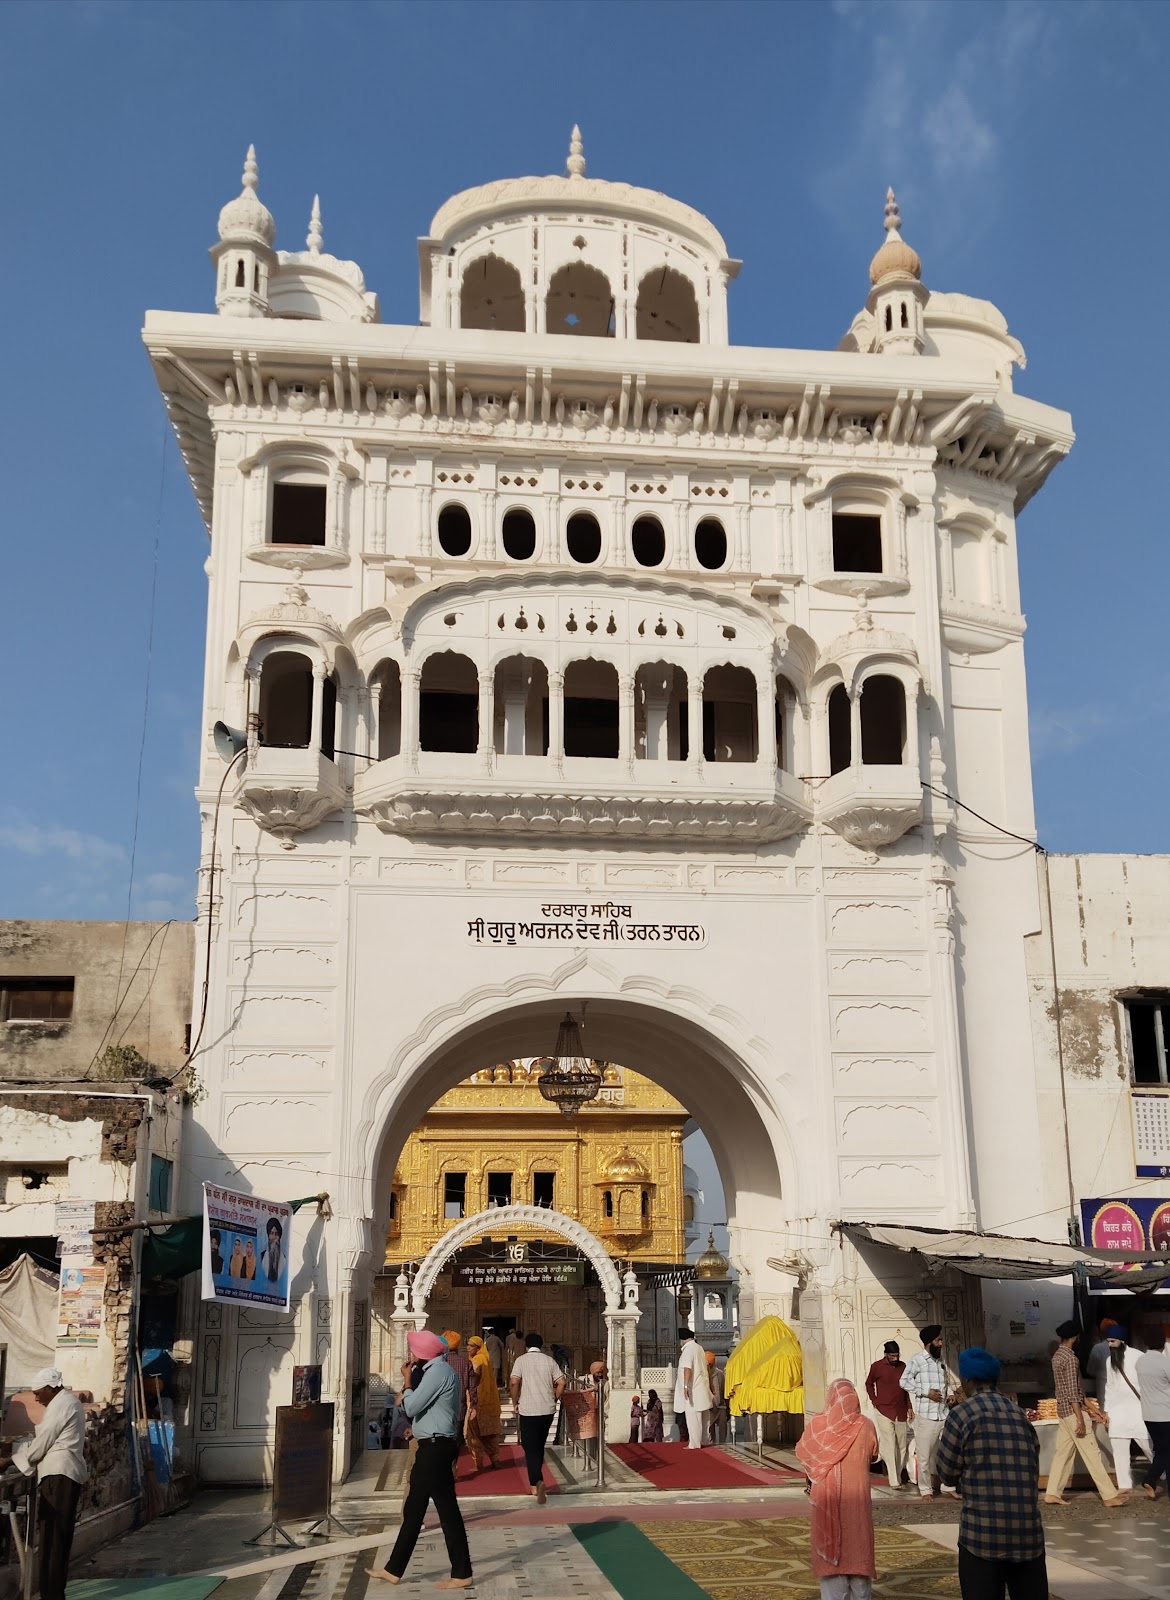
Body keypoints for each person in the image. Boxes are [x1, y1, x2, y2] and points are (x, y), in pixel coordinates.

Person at [937, 1347, 1047, 1600]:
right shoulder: (1020, 1415)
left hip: (981, 1536)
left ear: (968, 1380)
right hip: (1028, 1535)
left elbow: (946, 1473)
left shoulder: (961, 1415)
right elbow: (1033, 1468)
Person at [367, 1329, 472, 1590]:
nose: (411, 1354)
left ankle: (462, 1572)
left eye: (414, 1349)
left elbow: (411, 1407)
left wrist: (407, 1382)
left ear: (423, 1352)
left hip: (435, 1448)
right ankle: (394, 1569)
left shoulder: (437, 1372)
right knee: (416, 1510)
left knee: (444, 1512)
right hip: (435, 1445)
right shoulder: (441, 1370)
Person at [0, 1367, 88, 1600]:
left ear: (51, 1388)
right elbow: (41, 1441)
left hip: (60, 1475)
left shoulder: (63, 1404)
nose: (37, 1398)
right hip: (60, 1474)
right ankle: (52, 1592)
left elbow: (43, 1443)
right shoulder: (64, 1403)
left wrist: (8, 1461)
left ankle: (52, 1594)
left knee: (53, 1538)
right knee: (54, 1537)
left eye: (39, 1393)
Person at [795, 1378, 878, 1600]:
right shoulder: (866, 1425)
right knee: (859, 1564)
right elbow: (874, 1454)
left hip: (827, 1502)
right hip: (857, 1504)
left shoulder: (818, 1426)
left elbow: (807, 1458)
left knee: (832, 1576)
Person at [1045, 1320, 1125, 1506]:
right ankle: (1109, 1496)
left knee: (1062, 1454)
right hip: (1074, 1414)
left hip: (1063, 1412)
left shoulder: (1057, 1356)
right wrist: (1081, 1418)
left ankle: (1052, 1493)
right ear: (1075, 1337)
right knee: (1092, 1455)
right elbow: (1075, 1393)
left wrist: (1096, 1411)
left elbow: (1074, 1392)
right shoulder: (1071, 1359)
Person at [509, 1331, 564, 1504]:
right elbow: (561, 1382)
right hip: (547, 1409)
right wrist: (555, 1397)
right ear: (541, 1345)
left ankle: (537, 1482)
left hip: (528, 1409)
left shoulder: (521, 1360)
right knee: (539, 1446)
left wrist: (515, 1401)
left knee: (530, 1447)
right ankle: (535, 1483)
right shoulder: (549, 1360)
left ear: (526, 1345)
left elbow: (514, 1382)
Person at [900, 1325, 954, 1498]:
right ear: (929, 1342)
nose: (941, 1343)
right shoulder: (917, 1360)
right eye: (938, 1340)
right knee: (924, 1456)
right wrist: (926, 1392)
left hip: (943, 1414)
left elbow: (946, 1381)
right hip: (926, 1416)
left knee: (945, 1454)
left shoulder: (941, 1361)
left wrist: (951, 1394)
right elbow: (904, 1381)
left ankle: (947, 1485)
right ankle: (925, 1489)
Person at [1099, 1324, 1152, 1495]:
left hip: (1138, 1409)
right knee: (1119, 1449)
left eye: (1112, 1341)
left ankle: (1163, 1475)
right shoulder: (1109, 1360)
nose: (1109, 1345)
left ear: (1121, 1341)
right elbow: (1110, 1385)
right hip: (1117, 1411)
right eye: (1108, 1341)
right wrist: (1106, 1410)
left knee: (1148, 1445)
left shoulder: (1139, 1356)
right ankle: (1124, 1484)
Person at [865, 1340, 910, 1490]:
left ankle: (897, 1473)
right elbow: (869, 1384)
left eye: (897, 1355)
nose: (895, 1358)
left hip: (901, 1410)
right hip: (883, 1409)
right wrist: (875, 1401)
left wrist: (910, 1407)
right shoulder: (877, 1367)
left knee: (902, 1445)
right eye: (892, 1356)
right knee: (890, 1442)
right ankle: (893, 1480)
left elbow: (906, 1388)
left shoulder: (903, 1367)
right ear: (886, 1355)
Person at [1136, 1325, 1170, 1499]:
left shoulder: (1140, 1361)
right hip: (1166, 1413)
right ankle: (1150, 1478)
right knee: (1166, 1452)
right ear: (1163, 1342)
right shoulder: (1165, 1362)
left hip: (1148, 1414)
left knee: (1163, 1450)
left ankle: (1153, 1480)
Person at [464, 1336, 501, 1470]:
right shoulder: (486, 1358)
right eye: (467, 1345)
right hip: (489, 1401)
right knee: (490, 1434)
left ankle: (478, 1464)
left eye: (471, 1346)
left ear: (478, 1348)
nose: (468, 1348)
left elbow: (474, 1377)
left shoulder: (478, 1359)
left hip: (478, 1401)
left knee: (474, 1434)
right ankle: (495, 1459)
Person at [675, 1328, 713, 1450]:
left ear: (682, 1340)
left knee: (693, 1417)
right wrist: (711, 1385)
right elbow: (707, 1368)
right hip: (702, 1387)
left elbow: (687, 1369)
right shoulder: (699, 1348)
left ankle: (694, 1443)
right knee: (705, 1417)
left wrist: (686, 1386)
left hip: (693, 1389)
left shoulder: (688, 1350)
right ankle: (705, 1440)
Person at [441, 1331, 479, 1450]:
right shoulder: (466, 1362)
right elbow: (472, 1387)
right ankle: (454, 1462)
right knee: (456, 1438)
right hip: (459, 1406)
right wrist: (473, 1403)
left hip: (441, 1406)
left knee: (443, 1438)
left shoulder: (440, 1362)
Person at [707, 1350, 729, 1445]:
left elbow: (724, 1389)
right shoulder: (703, 1375)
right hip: (709, 1407)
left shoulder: (719, 1374)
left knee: (722, 1430)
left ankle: (723, 1446)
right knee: (710, 1429)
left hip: (721, 1407)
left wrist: (727, 1406)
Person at [260, 1217, 284, 1284]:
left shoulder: (284, 1259)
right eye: (271, 1233)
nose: (274, 1237)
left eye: (276, 1234)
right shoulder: (261, 1257)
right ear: (268, 1235)